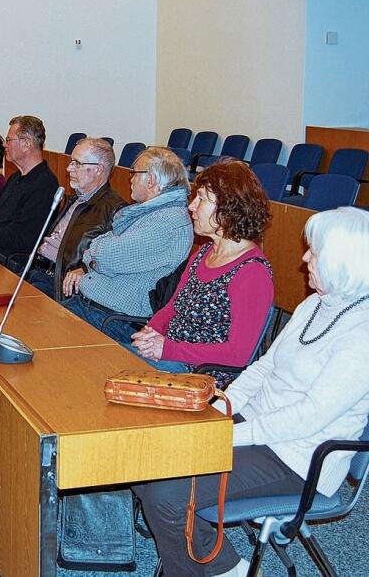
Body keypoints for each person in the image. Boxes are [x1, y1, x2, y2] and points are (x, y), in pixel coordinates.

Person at [133, 207, 369, 577]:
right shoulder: (314, 304)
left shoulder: (363, 333)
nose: (304, 257)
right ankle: (226, 565)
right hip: (256, 428)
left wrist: (231, 434)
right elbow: (263, 367)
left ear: (344, 261)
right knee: (145, 454)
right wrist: (221, 407)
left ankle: (219, 570)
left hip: (298, 457)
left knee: (168, 493)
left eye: (315, 252)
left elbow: (310, 416)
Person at [130, 160, 273, 372]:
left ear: (228, 208)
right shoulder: (204, 253)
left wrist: (167, 348)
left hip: (199, 373)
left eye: (202, 199)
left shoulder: (252, 272)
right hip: (168, 356)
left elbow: (238, 354)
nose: (191, 206)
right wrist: (150, 332)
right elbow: (173, 308)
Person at [62, 147, 192, 344]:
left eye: (134, 173)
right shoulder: (145, 212)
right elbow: (97, 248)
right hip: (94, 307)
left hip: (112, 319)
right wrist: (96, 257)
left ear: (151, 180)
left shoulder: (170, 220)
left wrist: (96, 258)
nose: (130, 179)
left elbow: (109, 255)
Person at [26, 138, 125, 299]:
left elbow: (114, 259)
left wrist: (86, 269)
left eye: (76, 164)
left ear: (98, 170)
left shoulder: (115, 210)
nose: (68, 168)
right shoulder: (74, 199)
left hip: (58, 284)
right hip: (38, 270)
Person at [0, 115, 59, 264]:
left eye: (9, 140)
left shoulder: (44, 184)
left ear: (26, 144)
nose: (4, 145)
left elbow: (22, 236)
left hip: (7, 262)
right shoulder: (15, 177)